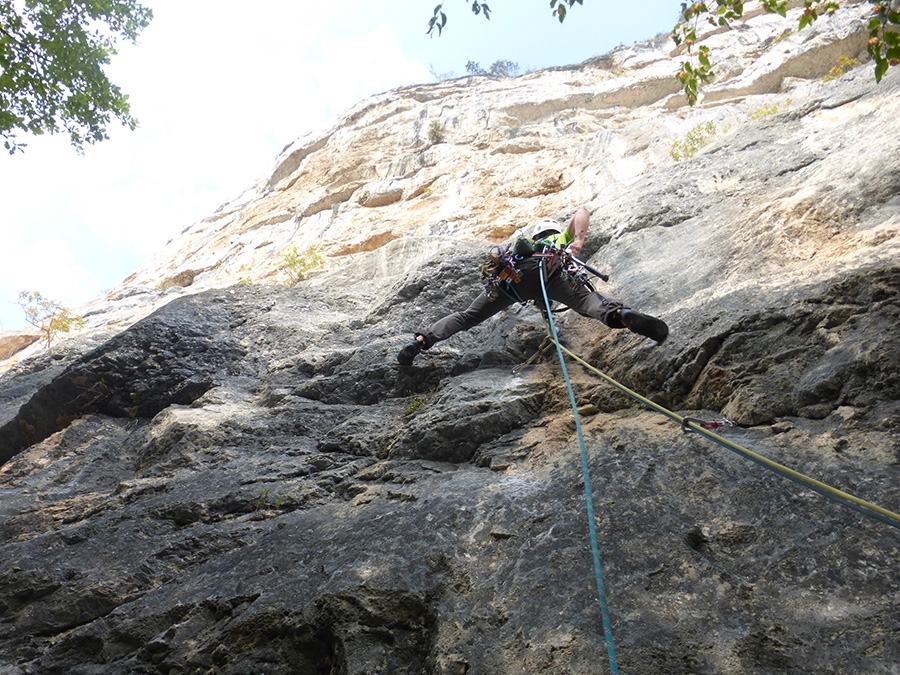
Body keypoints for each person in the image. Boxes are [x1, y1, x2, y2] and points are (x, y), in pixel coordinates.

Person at [397, 206, 668, 365]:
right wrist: (577, 243)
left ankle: (422, 341)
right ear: (553, 233)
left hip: (511, 280)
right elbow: (583, 211)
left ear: (536, 234)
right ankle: (620, 314)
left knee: (468, 317)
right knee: (587, 301)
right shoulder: (557, 242)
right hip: (549, 272)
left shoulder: (520, 251)